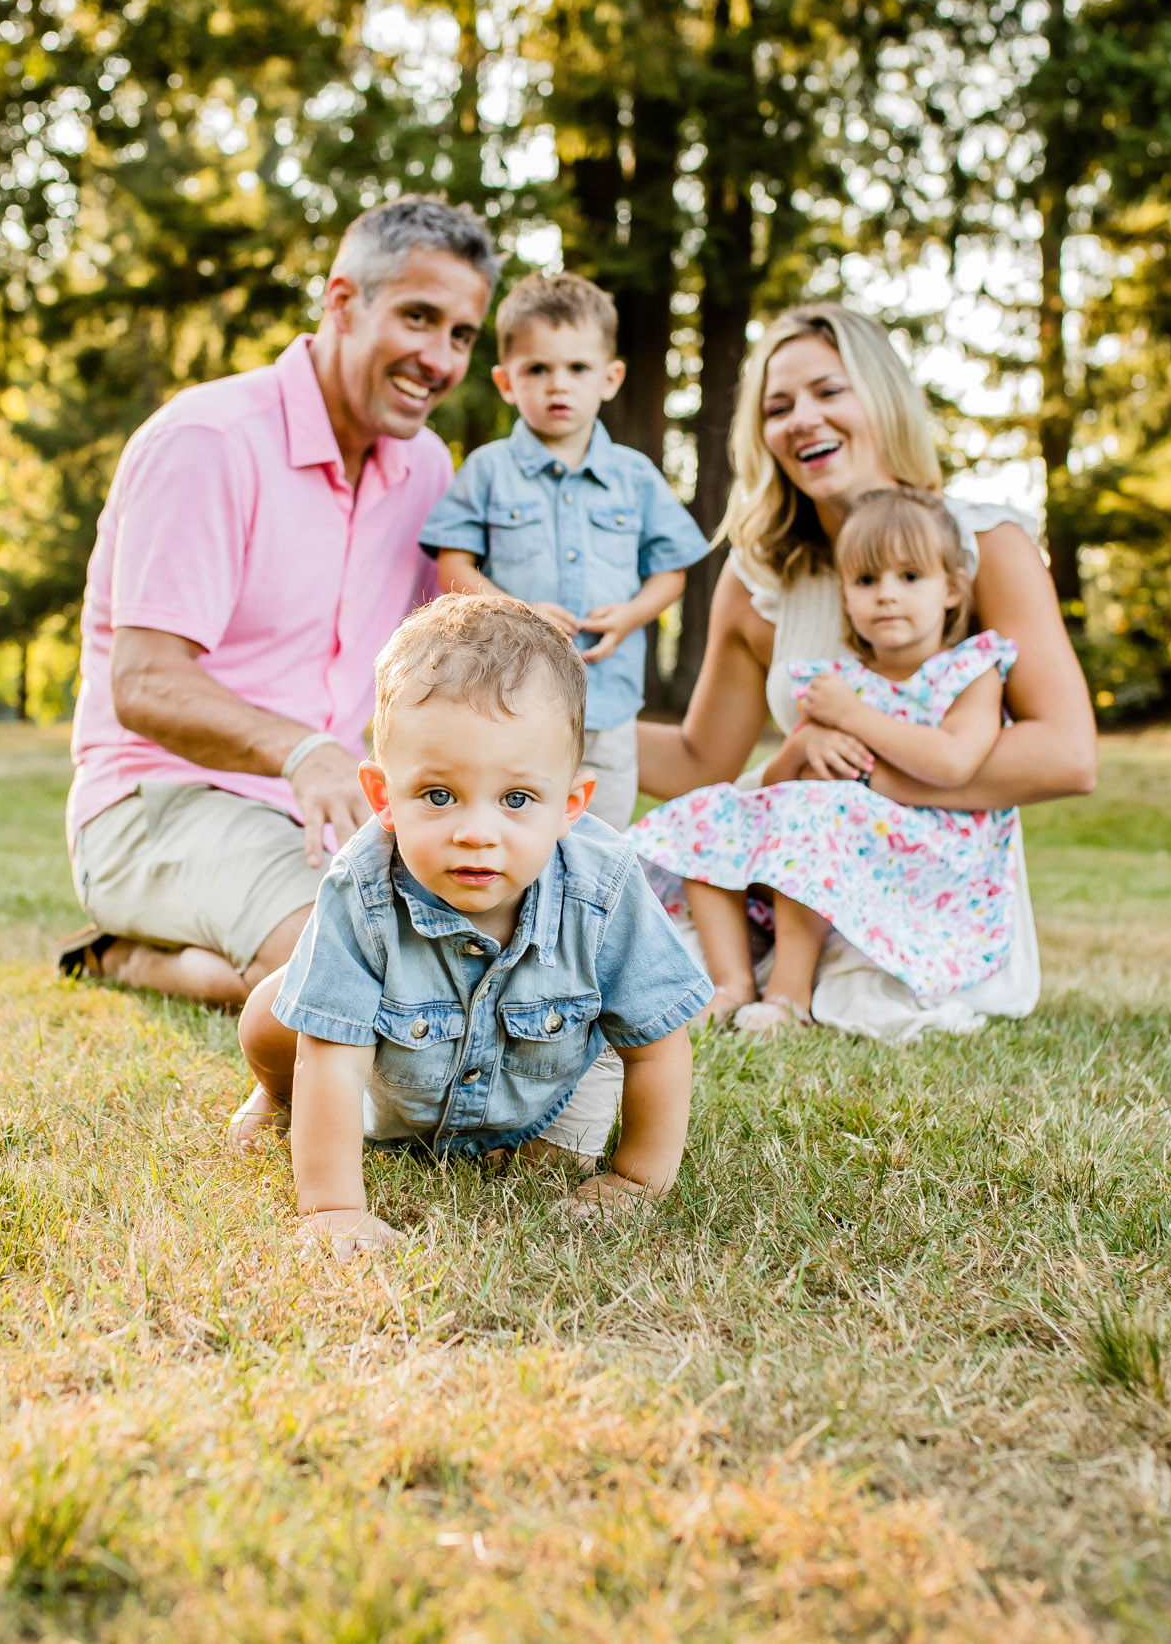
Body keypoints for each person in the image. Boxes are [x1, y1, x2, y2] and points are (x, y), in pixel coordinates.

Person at [63, 197, 496, 1012]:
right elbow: (145, 682)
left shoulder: (431, 471)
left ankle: (158, 956)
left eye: (462, 335)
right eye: (418, 317)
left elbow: (457, 661)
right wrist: (304, 753)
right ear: (342, 302)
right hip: (155, 801)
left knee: (471, 949)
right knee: (352, 971)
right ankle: (128, 957)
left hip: (327, 818)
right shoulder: (209, 441)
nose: (439, 358)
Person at [637, 304, 1097, 1040]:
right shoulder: (760, 577)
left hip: (922, 887)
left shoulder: (982, 545)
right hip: (789, 877)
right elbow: (701, 761)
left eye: (828, 391)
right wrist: (564, 731)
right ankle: (754, 979)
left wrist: (855, 771)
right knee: (644, 929)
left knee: (863, 998)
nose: (801, 420)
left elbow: (1067, 757)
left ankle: (801, 982)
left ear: (882, 397)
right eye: (777, 407)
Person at [233, 596, 712, 1257]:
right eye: (438, 795)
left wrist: (636, 1179)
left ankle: (531, 1140)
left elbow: (657, 1039)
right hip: (399, 1077)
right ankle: (272, 1097)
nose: (476, 834)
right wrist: (334, 1208)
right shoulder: (362, 889)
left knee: (553, 1174)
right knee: (274, 1011)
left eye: (517, 800)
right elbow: (333, 1061)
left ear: (570, 805)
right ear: (384, 798)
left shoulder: (605, 884)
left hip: (554, 1075)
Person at [631, 487, 1020, 1030]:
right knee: (707, 817)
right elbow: (770, 792)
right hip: (835, 840)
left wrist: (853, 718)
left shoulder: (968, 671)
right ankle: (731, 983)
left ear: (952, 589)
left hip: (933, 854)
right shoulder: (837, 683)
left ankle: (790, 997)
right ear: (846, 595)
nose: (886, 595)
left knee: (814, 810)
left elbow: (954, 763)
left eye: (910, 578)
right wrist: (800, 745)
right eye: (866, 580)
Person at [418, 269, 711, 828]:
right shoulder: (488, 471)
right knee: (516, 836)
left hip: (608, 705)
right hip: (509, 701)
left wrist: (631, 615)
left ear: (610, 377)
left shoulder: (635, 476)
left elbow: (671, 573)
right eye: (538, 370)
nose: (559, 385)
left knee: (601, 844)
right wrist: (514, 612)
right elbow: (452, 565)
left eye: (577, 368)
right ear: (507, 382)